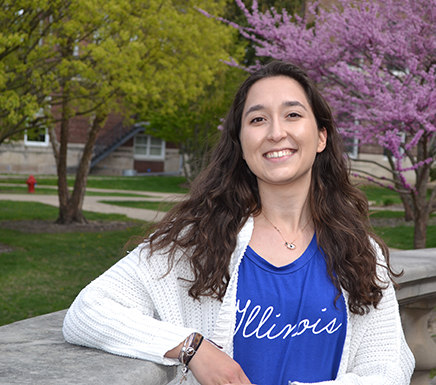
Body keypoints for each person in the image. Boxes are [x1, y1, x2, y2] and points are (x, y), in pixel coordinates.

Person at [63, 61, 415, 385]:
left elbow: (387, 365)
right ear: (242, 143)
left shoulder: (358, 251)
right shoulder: (198, 242)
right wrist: (193, 348)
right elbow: (89, 311)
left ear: (321, 136)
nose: (276, 133)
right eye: (258, 119)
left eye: (292, 114)